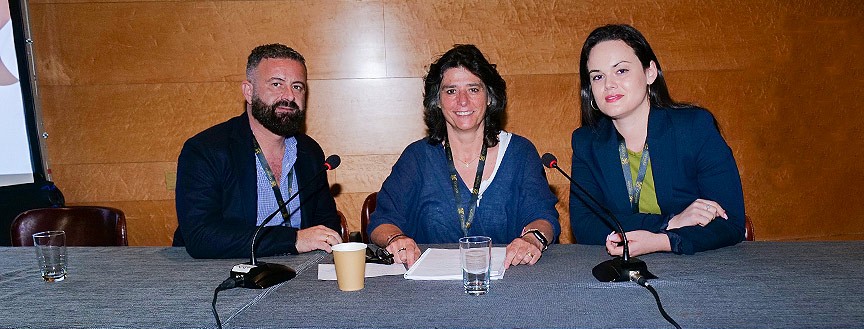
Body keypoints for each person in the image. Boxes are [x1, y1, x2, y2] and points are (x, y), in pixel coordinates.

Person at [367, 44, 560, 268]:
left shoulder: (520, 153)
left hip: (510, 281)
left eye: (473, 89)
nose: (462, 101)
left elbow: (544, 218)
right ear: (437, 101)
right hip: (430, 285)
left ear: (489, 97)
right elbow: (382, 222)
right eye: (451, 91)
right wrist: (396, 239)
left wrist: (532, 239)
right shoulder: (417, 158)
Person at [571, 24, 746, 256]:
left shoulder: (694, 128)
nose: (608, 84)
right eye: (597, 76)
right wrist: (670, 222)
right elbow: (585, 226)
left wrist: (663, 241)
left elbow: (730, 223)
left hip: (696, 264)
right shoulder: (586, 143)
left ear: (650, 72)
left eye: (621, 71)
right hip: (621, 268)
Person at [173, 44, 342, 259]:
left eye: (297, 86)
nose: (289, 96)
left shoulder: (309, 151)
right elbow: (201, 236)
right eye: (276, 84)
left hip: (297, 271)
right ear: (249, 91)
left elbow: (326, 223)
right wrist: (293, 240)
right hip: (222, 271)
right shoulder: (205, 151)